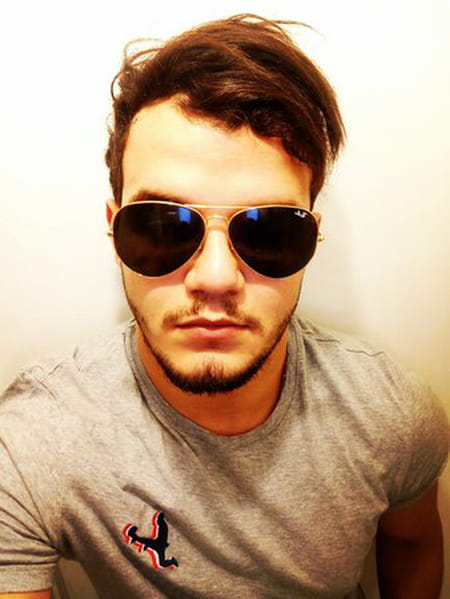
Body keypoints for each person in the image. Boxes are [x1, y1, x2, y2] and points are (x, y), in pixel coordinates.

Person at [0, 14, 448, 599]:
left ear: (313, 237)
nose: (215, 279)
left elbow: (412, 543)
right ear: (114, 229)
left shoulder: (391, 413)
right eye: (163, 225)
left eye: (269, 230)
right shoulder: (35, 441)